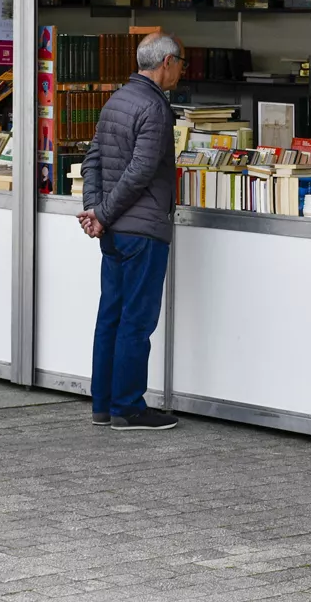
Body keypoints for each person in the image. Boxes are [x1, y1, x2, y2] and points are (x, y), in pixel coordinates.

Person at [78, 31, 183, 432]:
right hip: (142, 231)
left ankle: (103, 405)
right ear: (166, 63)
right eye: (180, 64)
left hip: (116, 232)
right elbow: (140, 172)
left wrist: (96, 211)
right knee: (136, 322)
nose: (180, 72)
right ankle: (128, 407)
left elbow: (92, 161)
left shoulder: (117, 100)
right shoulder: (155, 108)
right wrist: (100, 212)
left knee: (111, 316)